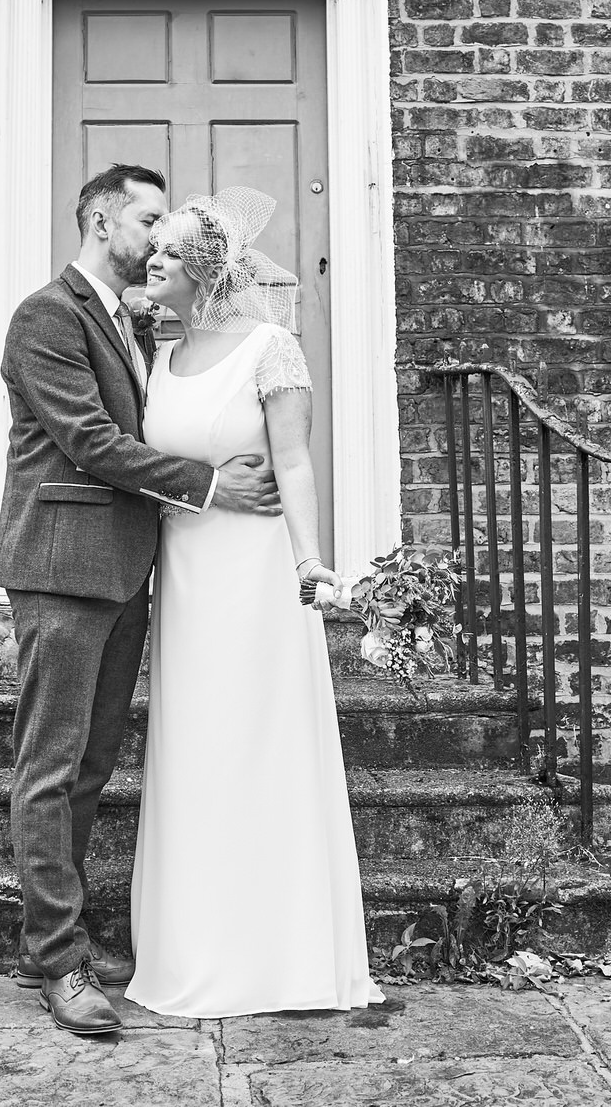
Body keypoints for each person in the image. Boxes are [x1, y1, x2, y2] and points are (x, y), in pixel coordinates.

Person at [0, 163, 284, 1036]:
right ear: (100, 219)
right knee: (49, 766)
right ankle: (59, 960)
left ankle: (46, 939)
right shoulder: (47, 316)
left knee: (89, 766)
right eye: (149, 218)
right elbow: (90, 441)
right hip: (61, 567)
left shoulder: (132, 321)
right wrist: (210, 485)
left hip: (124, 569)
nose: (160, 235)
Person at [123, 186, 383, 1018]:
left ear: (204, 271)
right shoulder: (159, 355)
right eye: (154, 246)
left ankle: (279, 954)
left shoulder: (272, 348)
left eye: (169, 251)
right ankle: (198, 946)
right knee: (195, 751)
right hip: (185, 577)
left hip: (257, 574)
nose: (153, 258)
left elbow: (293, 461)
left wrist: (311, 559)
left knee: (256, 744)